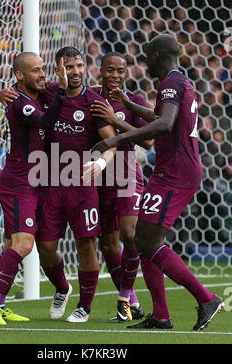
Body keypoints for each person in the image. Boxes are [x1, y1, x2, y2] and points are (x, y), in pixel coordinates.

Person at [91, 34, 224, 331]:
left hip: (176, 172)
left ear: (158, 55)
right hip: (171, 169)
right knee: (143, 239)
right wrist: (129, 106)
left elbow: (163, 125)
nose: (145, 62)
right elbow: (161, 117)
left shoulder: (170, 82)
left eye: (147, 56)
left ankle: (206, 299)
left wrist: (117, 137)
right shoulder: (180, 81)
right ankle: (161, 315)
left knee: (147, 240)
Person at [0, 52, 68, 325]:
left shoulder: (38, 94)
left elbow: (73, 86)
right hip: (19, 183)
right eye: (36, 70)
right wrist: (62, 91)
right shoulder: (20, 102)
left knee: (12, 247)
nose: (42, 74)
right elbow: (43, 122)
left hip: (35, 183)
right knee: (24, 244)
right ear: (19, 75)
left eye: (43, 69)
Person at [35, 46, 117, 323]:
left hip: (82, 186)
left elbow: (111, 142)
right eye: (69, 67)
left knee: (86, 245)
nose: (76, 72)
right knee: (45, 247)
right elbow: (20, 88)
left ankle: (84, 306)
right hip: (49, 183)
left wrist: (101, 163)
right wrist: (5, 93)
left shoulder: (93, 102)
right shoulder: (47, 94)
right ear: (58, 70)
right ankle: (62, 288)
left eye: (80, 66)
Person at [90, 52, 153, 322]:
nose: (115, 75)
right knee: (107, 245)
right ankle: (133, 302)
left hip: (127, 173)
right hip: (98, 176)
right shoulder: (90, 98)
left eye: (120, 71)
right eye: (110, 70)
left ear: (126, 73)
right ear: (100, 71)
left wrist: (116, 120)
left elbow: (148, 142)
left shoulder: (133, 101)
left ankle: (124, 297)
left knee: (130, 235)